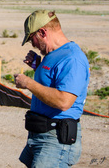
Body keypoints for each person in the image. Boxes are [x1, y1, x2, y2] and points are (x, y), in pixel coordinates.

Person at [14, 10, 90, 167]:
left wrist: (29, 83)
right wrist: (38, 67)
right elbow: (54, 84)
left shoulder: (72, 58)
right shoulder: (53, 54)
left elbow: (64, 101)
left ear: (42, 32)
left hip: (55, 140)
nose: (33, 45)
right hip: (41, 134)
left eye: (32, 39)